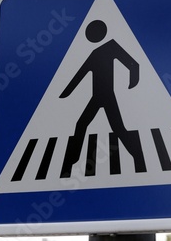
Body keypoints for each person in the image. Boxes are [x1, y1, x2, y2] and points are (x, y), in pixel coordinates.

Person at [59, 19, 146, 177]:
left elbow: (133, 63)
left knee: (117, 128)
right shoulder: (95, 54)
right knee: (81, 124)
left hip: (106, 96)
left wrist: (133, 79)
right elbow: (80, 74)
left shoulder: (111, 46)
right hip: (96, 97)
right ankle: (71, 162)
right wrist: (66, 92)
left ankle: (139, 158)